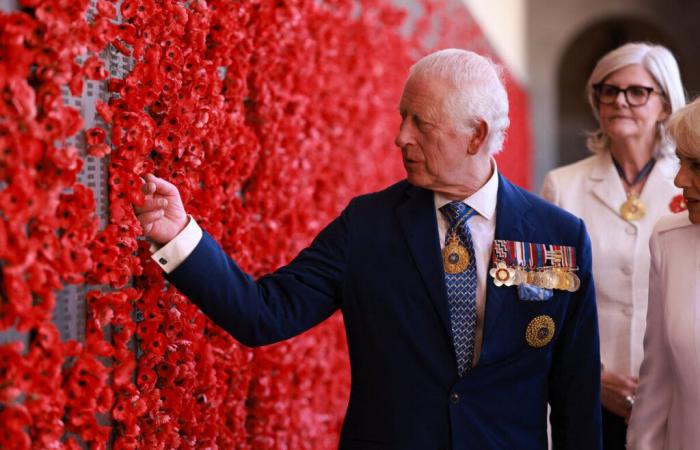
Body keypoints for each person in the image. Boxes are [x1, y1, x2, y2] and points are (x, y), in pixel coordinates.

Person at [135, 49, 602, 449]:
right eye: (403, 116)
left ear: (476, 136)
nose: (401, 136)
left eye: (421, 122)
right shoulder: (367, 225)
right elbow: (264, 314)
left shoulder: (559, 235)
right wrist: (180, 237)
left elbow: (575, 393)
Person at [540, 42, 686, 449]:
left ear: (665, 104)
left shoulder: (691, 183)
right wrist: (591, 373)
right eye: (609, 90)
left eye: (637, 91)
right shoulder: (562, 186)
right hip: (587, 394)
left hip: (679, 394)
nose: (620, 101)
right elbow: (546, 299)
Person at [626, 97, 700, 449]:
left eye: (697, 165)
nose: (680, 180)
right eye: (681, 162)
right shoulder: (669, 239)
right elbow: (656, 385)